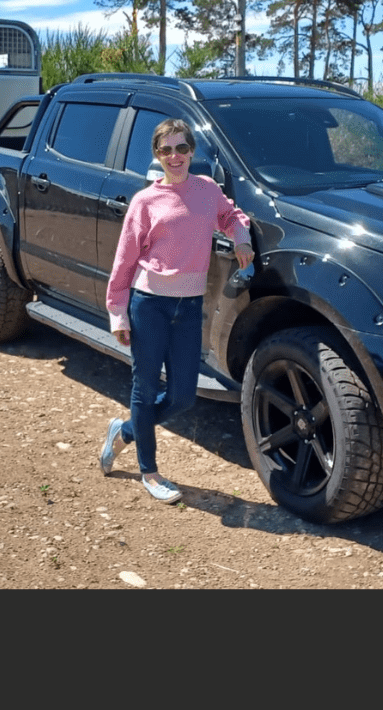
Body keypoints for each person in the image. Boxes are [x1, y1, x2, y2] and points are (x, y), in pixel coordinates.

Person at [99, 118, 254, 503]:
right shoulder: (144, 202)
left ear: (192, 152)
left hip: (189, 306)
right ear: (157, 154)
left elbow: (231, 216)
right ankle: (149, 472)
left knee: (183, 395)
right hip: (148, 305)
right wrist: (118, 312)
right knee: (145, 387)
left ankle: (127, 431)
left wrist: (241, 237)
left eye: (182, 148)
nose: (175, 156)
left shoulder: (206, 190)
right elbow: (123, 262)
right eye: (166, 149)